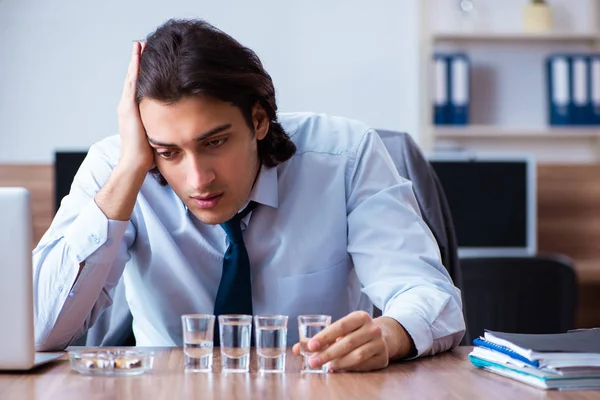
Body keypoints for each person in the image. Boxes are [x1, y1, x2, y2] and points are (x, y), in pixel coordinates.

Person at [33, 18, 465, 372]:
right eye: (169, 152)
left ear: (258, 121)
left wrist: (389, 333)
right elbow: (35, 329)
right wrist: (131, 168)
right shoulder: (121, 166)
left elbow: (431, 296)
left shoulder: (347, 156)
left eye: (215, 142)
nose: (197, 178)